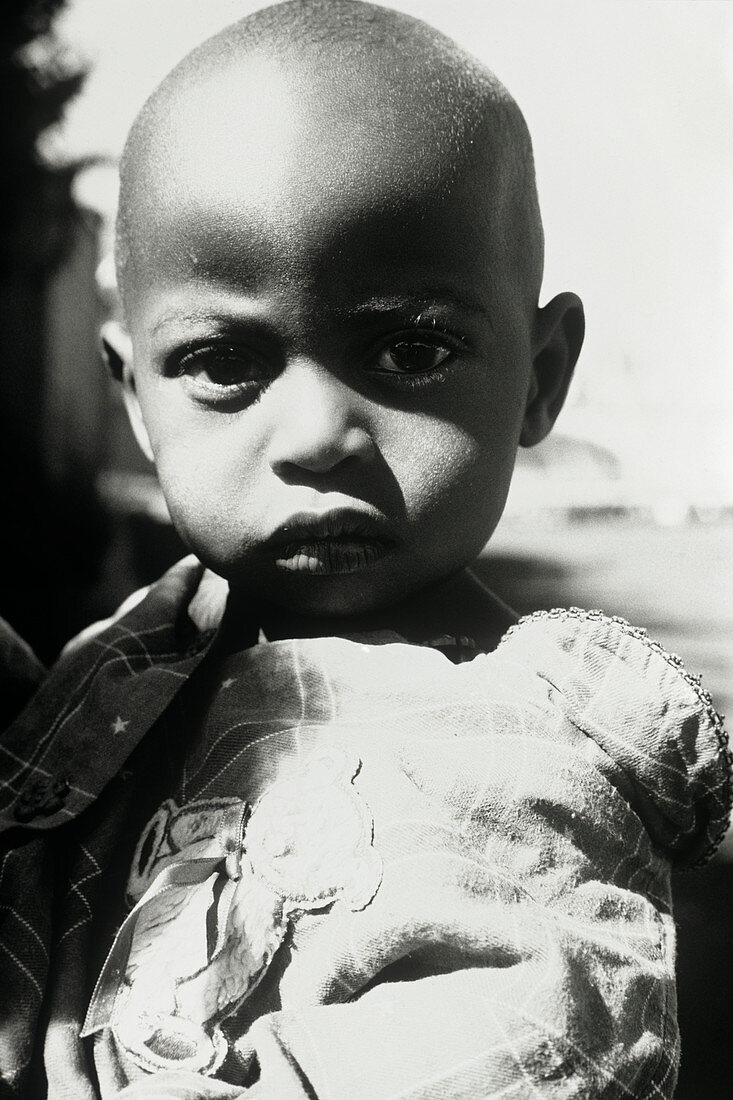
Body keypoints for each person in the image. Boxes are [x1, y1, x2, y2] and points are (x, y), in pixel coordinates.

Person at [0, 2, 729, 1097]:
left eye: (411, 346)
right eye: (221, 361)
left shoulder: (549, 747)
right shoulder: (119, 675)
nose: (316, 437)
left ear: (538, 377)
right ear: (137, 400)